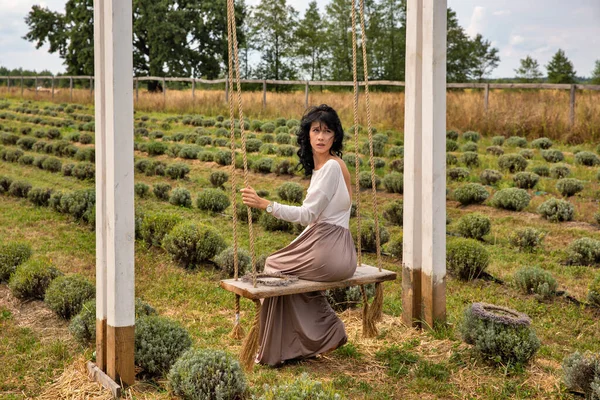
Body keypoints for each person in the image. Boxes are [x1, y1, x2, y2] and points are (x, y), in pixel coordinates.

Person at [241, 104, 357, 366]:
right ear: (307, 135)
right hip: (338, 250)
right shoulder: (330, 167)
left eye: (327, 131)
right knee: (281, 267)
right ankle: (309, 338)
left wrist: (265, 204)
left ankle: (318, 333)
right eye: (316, 130)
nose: (321, 137)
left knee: (273, 268)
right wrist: (292, 247)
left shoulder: (330, 168)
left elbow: (307, 215)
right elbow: (313, 221)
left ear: (334, 137)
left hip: (330, 250)